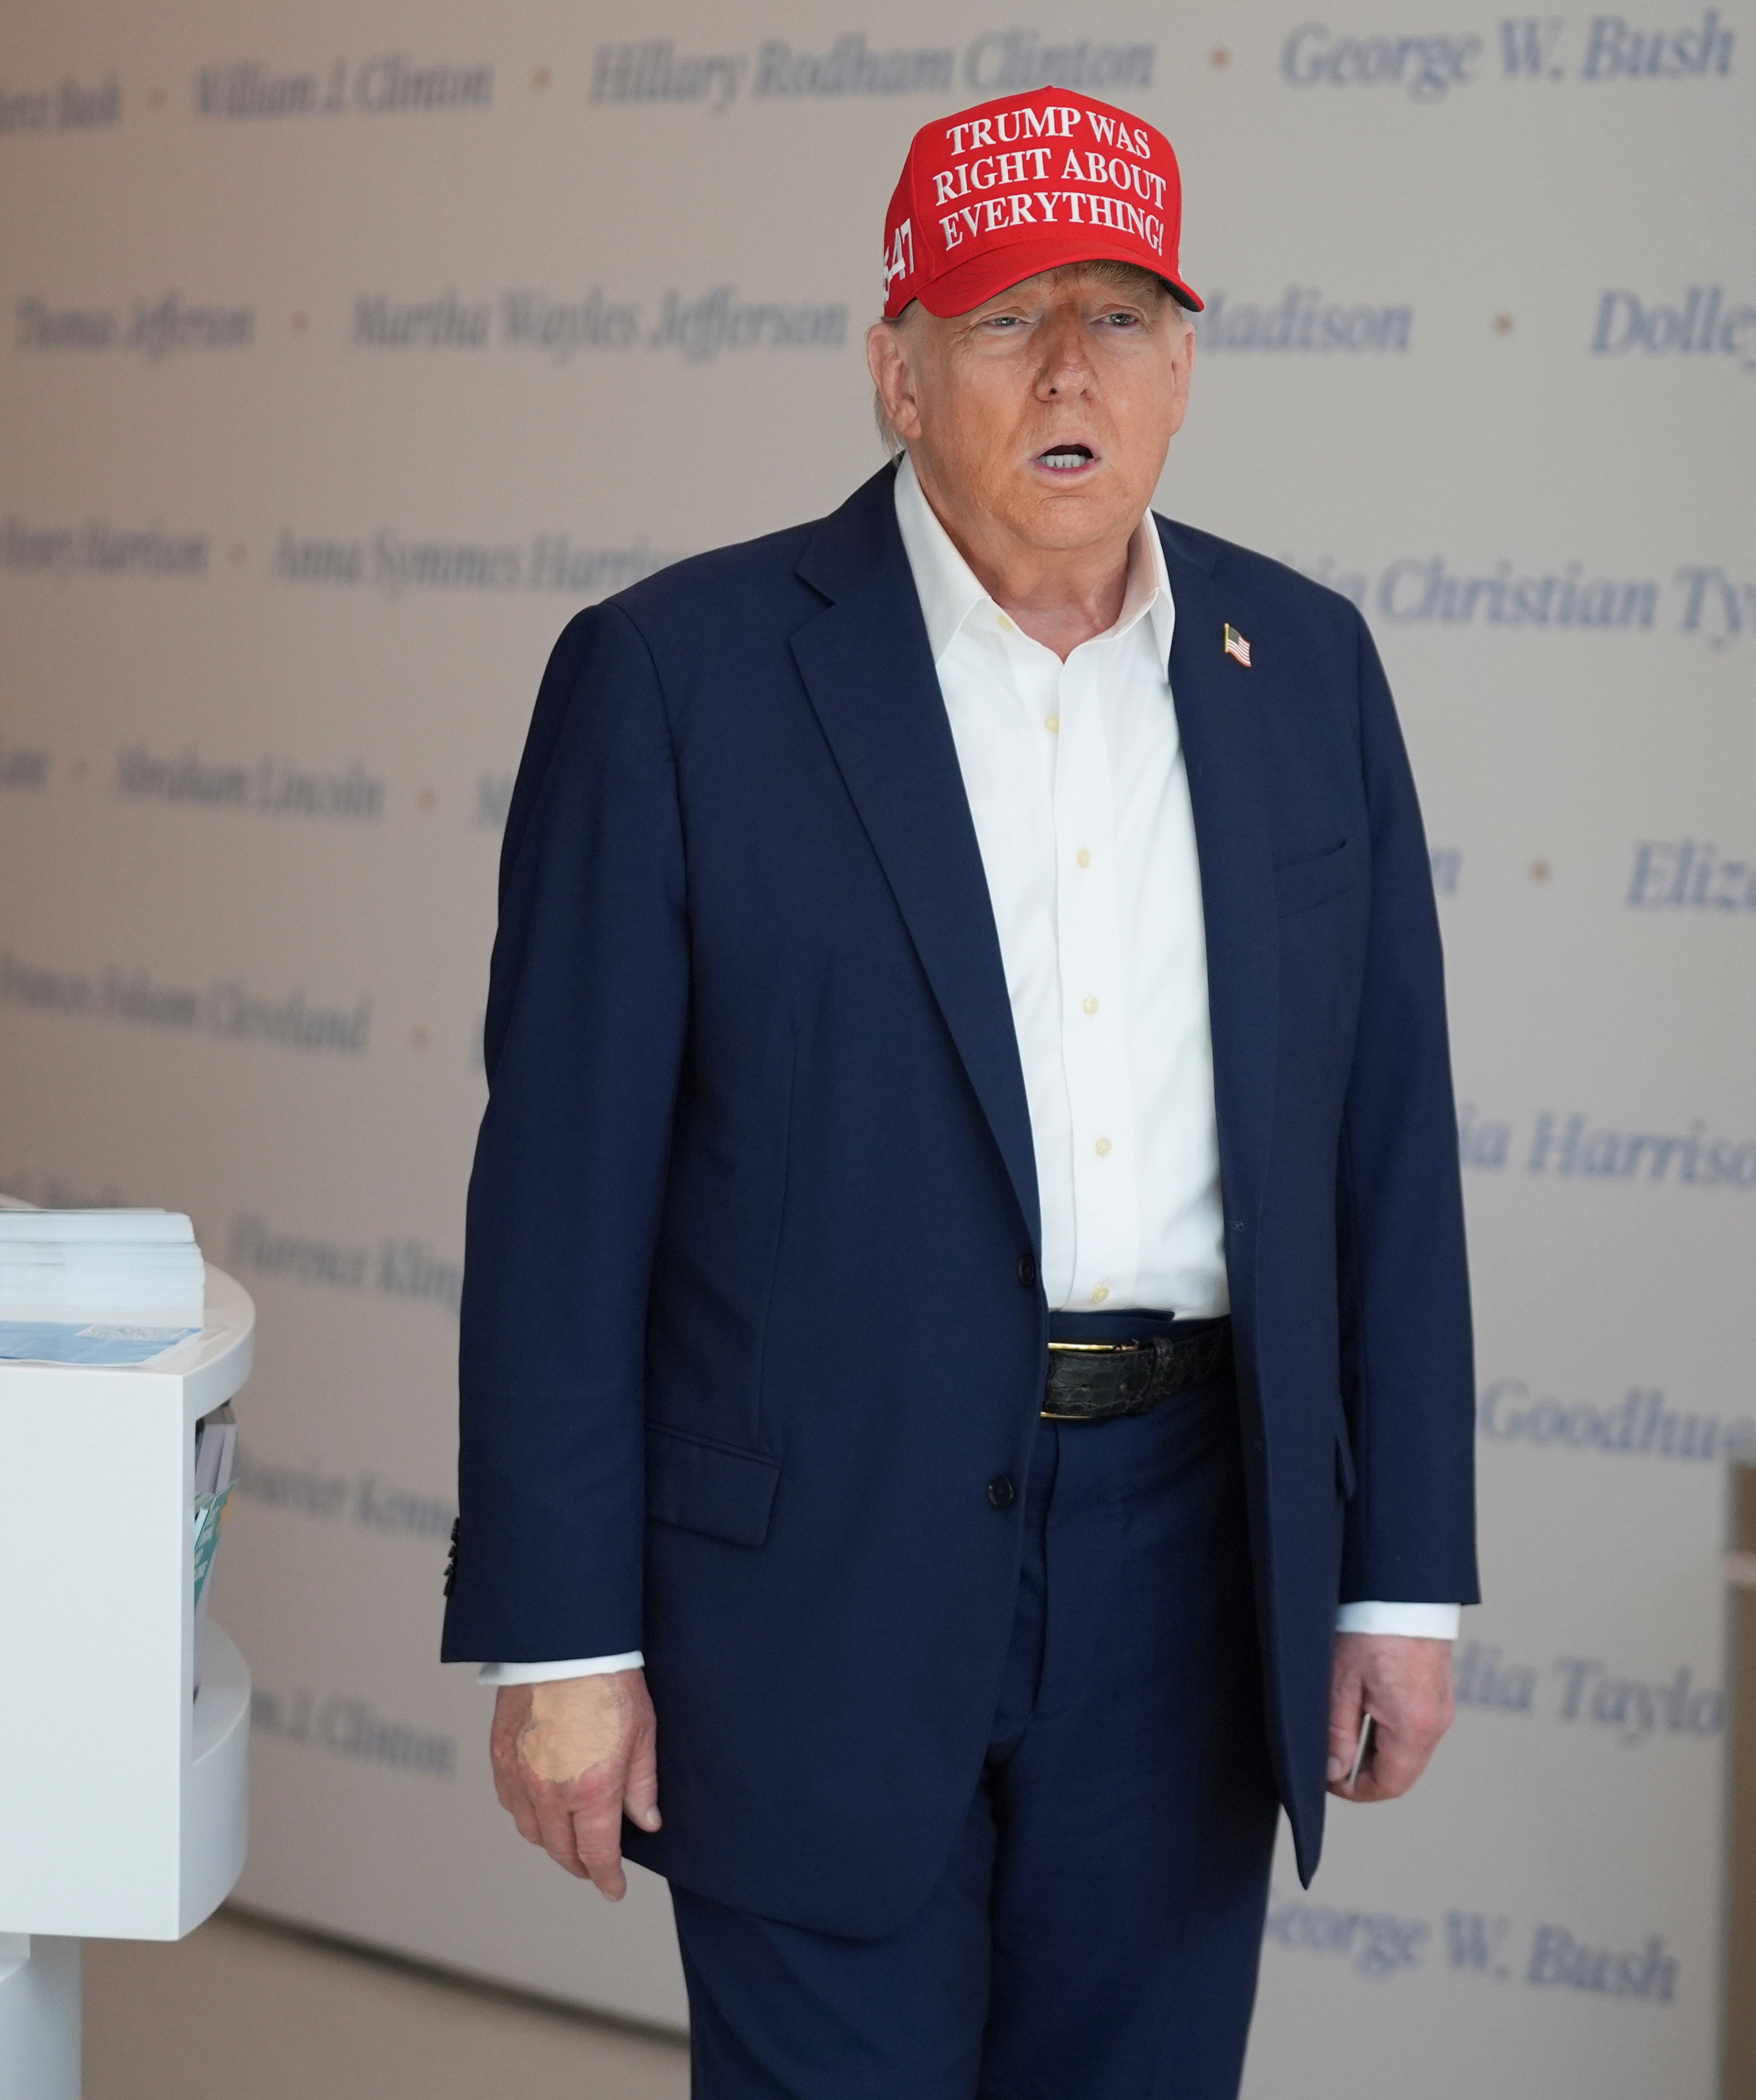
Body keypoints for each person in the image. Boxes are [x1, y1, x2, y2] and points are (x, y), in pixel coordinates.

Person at [439, 86, 1478, 2098]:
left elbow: (1388, 1156)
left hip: (1193, 1560)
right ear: (897, 368)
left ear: (1186, 365)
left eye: (1119, 313)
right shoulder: (676, 679)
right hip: (811, 1585)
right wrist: (561, 1646)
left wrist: (1399, 1576)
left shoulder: (1311, 672)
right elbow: (559, 1206)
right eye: (1007, 317)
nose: (1070, 368)